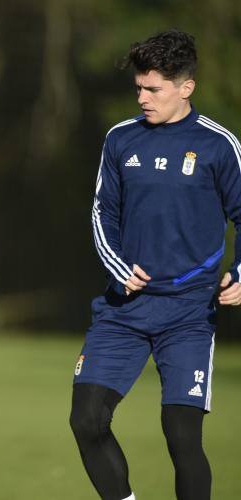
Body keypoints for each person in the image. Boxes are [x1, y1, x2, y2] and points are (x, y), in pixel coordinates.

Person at [69, 29, 241, 500]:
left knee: (181, 433)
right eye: (138, 88)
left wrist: (240, 272)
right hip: (123, 310)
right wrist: (117, 266)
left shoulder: (218, 146)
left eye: (154, 89)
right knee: (85, 420)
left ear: (186, 87)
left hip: (188, 312)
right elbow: (103, 211)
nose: (142, 98)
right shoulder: (120, 139)